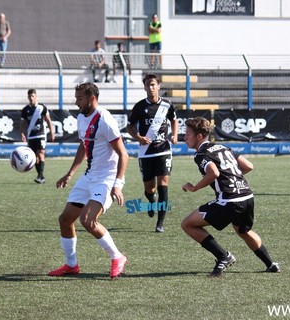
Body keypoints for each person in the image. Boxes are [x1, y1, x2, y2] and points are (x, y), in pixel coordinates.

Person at [181, 117, 280, 277]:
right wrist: (231, 177)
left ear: (199, 136)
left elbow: (213, 172)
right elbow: (248, 166)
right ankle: (271, 264)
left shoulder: (201, 154)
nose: (184, 137)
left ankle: (223, 256)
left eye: (188, 134)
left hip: (229, 201)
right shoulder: (222, 147)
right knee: (243, 231)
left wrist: (194, 188)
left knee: (188, 224)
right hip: (247, 196)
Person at [48, 82, 129, 278]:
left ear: (91, 98)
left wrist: (117, 184)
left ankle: (117, 257)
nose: (76, 103)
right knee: (65, 219)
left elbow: (124, 155)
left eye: (79, 99)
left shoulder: (105, 120)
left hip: (106, 179)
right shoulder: (82, 118)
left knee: (87, 220)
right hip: (89, 175)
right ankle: (71, 265)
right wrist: (70, 173)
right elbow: (84, 146)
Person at [126, 73, 178, 233]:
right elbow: (129, 127)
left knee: (163, 186)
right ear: (144, 87)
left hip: (163, 151)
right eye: (148, 85)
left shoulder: (167, 105)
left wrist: (174, 135)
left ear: (158, 86)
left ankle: (160, 223)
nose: (151, 87)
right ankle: (151, 200)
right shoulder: (140, 106)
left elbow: (174, 119)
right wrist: (138, 137)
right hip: (146, 153)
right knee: (150, 189)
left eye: (153, 84)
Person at [20, 89, 55, 184]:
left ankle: (40, 175)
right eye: (29, 96)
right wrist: (22, 133)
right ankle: (41, 176)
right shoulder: (25, 110)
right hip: (31, 136)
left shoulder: (42, 107)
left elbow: (48, 120)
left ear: (36, 96)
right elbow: (23, 123)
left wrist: (52, 132)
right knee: (34, 157)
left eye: (32, 96)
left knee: (41, 154)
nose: (31, 98)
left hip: (41, 134)